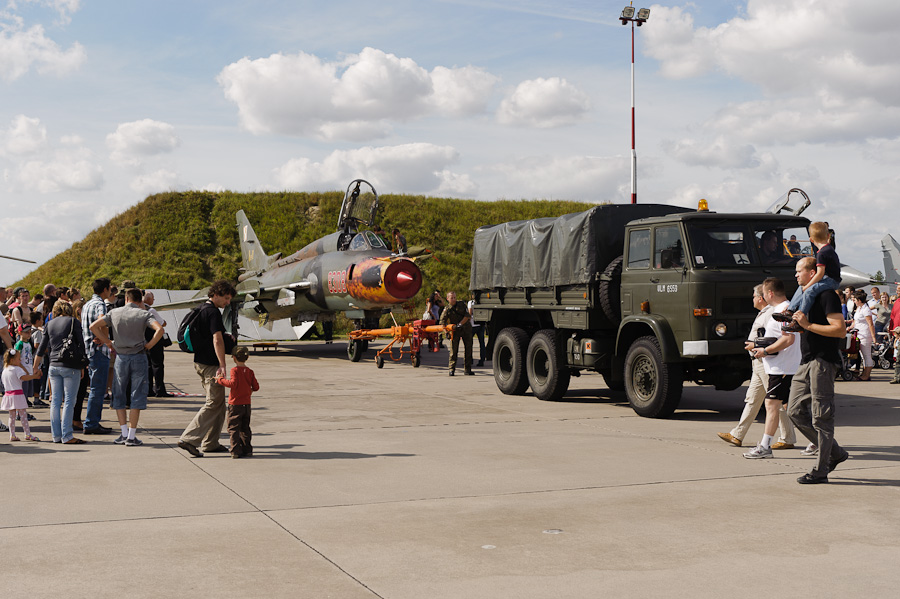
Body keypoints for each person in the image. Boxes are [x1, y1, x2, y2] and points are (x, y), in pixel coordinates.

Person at [786, 257, 851, 484]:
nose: (795, 275)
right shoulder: (806, 296)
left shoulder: (826, 295)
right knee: (793, 411)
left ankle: (821, 469)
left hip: (823, 361)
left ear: (813, 271)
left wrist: (808, 325)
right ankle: (836, 452)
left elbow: (840, 330)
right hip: (806, 360)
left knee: (821, 418)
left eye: (799, 271)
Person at [90, 288, 164, 446]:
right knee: (137, 394)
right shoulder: (144, 314)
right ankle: (132, 435)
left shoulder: (114, 313)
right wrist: (149, 345)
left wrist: (108, 342)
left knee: (119, 393)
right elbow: (160, 329)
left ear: (126, 299)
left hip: (121, 356)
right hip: (139, 355)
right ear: (140, 301)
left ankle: (123, 433)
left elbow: (94, 327)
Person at [743, 278, 801, 458]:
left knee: (772, 405)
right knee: (788, 406)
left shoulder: (783, 310)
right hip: (779, 366)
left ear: (769, 294)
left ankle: (765, 446)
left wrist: (765, 350)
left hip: (782, 367)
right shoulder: (778, 309)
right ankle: (816, 442)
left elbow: (788, 339)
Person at [178, 280, 237, 458]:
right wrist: (223, 365)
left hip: (200, 363)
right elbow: (217, 340)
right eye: (226, 298)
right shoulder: (212, 313)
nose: (228, 302)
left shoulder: (201, 308)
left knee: (219, 404)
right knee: (213, 403)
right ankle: (189, 438)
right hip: (211, 365)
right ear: (216, 294)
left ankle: (211, 443)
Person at [36, 300, 87, 444]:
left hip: (53, 365)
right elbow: (81, 345)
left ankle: (56, 436)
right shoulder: (73, 322)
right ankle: (67, 435)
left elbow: (42, 347)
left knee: (55, 402)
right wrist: (82, 365)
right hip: (70, 366)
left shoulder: (49, 324)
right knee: (69, 401)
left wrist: (35, 367)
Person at [775, 222, 840, 331]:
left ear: (811, 240)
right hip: (829, 278)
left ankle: (798, 321)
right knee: (801, 288)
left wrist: (809, 285)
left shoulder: (822, 253)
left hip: (831, 280)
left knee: (809, 291)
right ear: (828, 236)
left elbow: (819, 273)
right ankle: (790, 311)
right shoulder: (828, 250)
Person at [81, 278, 114, 434]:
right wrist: (105, 340)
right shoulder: (100, 304)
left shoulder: (87, 304)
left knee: (95, 388)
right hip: (98, 351)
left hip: (88, 350)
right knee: (98, 389)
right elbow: (101, 321)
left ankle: (91, 422)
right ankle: (92, 423)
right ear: (106, 289)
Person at [216, 346, 259, 459]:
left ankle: (235, 450)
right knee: (245, 428)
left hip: (235, 404)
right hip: (247, 404)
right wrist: (249, 390)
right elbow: (256, 387)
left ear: (234, 358)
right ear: (247, 357)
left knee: (233, 428)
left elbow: (233, 384)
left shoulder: (234, 370)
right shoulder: (250, 371)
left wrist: (220, 380)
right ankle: (247, 449)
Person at [2, 348, 42, 441]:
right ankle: (27, 434)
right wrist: (34, 376)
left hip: (8, 395)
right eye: (19, 359)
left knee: (11, 417)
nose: (20, 361)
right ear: (12, 360)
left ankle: (12, 434)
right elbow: (24, 377)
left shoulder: (5, 370)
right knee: (23, 416)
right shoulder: (17, 369)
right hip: (17, 395)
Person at [143, 291, 170, 397]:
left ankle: (149, 389)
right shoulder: (151, 310)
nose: (153, 300)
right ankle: (160, 389)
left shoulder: (139, 309)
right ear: (148, 299)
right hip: (154, 341)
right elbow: (162, 323)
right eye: (153, 298)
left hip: (144, 340)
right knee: (158, 365)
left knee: (148, 366)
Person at [439, 291, 473, 376]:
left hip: (466, 329)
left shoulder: (461, 304)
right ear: (448, 299)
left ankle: (467, 369)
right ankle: (451, 369)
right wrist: (446, 332)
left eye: (454, 297)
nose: (454, 299)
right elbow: (442, 322)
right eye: (452, 298)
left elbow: (467, 316)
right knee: (453, 351)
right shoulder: (447, 309)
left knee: (468, 350)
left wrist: (460, 324)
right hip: (455, 331)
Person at [849, 290, 876, 381]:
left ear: (859, 300)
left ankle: (866, 375)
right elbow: (855, 322)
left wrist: (873, 337)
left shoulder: (866, 310)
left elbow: (870, 324)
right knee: (862, 355)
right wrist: (849, 328)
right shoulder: (859, 309)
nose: (854, 301)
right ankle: (864, 373)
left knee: (866, 355)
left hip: (865, 335)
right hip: (859, 334)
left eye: (855, 299)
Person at [467, 294, 486, 367]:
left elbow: (469, 313)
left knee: (469, 343)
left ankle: (470, 360)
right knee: (482, 343)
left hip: (473, 324)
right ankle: (482, 360)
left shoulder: (471, 302)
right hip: (481, 324)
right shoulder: (482, 302)